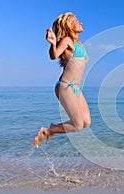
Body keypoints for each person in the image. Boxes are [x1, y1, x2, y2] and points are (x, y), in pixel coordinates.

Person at [33, 12, 91, 148]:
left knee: (86, 122)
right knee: (77, 125)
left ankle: (51, 129)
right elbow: (54, 55)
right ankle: (49, 130)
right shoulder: (67, 40)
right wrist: (52, 43)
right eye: (76, 20)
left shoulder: (78, 44)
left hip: (76, 88)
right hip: (66, 86)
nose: (80, 22)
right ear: (67, 25)